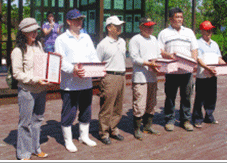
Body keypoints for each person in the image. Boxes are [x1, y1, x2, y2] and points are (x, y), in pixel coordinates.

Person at [54, 8, 99, 153]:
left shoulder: (86, 37)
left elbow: (93, 56)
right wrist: (73, 69)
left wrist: (98, 68)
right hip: (69, 84)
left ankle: (83, 137)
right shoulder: (61, 39)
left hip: (86, 82)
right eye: (76, 19)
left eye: (81, 19)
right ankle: (68, 140)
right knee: (69, 112)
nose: (80, 22)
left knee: (86, 110)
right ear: (68, 21)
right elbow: (60, 61)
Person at [11, 17, 53, 160]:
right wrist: (35, 80)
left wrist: (49, 76)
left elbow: (44, 65)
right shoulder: (18, 51)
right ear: (23, 33)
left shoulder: (39, 46)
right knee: (25, 123)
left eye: (35, 31)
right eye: (30, 32)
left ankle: (35, 148)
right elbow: (17, 73)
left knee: (38, 120)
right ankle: (24, 153)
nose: (34, 34)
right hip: (27, 91)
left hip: (41, 90)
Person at [158, 7, 198, 132]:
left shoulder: (189, 32)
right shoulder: (164, 33)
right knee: (170, 96)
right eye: (177, 17)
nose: (180, 19)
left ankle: (185, 120)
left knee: (186, 96)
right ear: (170, 19)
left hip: (187, 70)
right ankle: (169, 120)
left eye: (181, 17)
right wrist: (168, 55)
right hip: (172, 70)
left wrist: (194, 61)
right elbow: (159, 50)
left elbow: (194, 49)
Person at [129, 17, 162, 140]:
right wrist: (148, 64)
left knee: (151, 103)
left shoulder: (154, 39)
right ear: (141, 27)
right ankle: (137, 129)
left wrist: (157, 62)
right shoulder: (135, 40)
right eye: (147, 26)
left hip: (152, 76)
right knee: (139, 104)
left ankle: (148, 126)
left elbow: (158, 55)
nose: (150, 29)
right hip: (140, 77)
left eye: (151, 26)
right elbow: (134, 58)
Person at [96, 16, 126, 145]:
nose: (119, 28)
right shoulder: (103, 44)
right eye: (116, 25)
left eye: (120, 25)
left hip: (121, 76)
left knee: (118, 106)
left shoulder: (123, 41)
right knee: (107, 107)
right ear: (109, 27)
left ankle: (113, 129)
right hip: (109, 76)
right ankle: (103, 133)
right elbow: (97, 62)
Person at [192, 21, 226, 128]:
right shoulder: (197, 43)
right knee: (200, 97)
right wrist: (207, 68)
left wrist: (225, 66)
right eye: (207, 30)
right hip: (202, 75)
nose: (209, 32)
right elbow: (198, 59)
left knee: (212, 96)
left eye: (210, 30)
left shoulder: (214, 44)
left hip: (213, 75)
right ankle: (197, 118)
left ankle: (209, 116)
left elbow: (219, 58)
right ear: (202, 31)